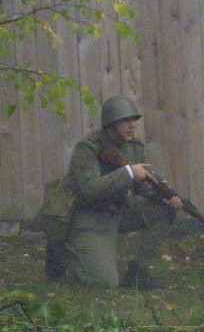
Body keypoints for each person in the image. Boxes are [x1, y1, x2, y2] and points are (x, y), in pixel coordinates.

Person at [57, 96, 183, 288]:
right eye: (125, 121)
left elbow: (143, 188)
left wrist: (167, 198)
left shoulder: (134, 148)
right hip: (89, 218)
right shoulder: (88, 148)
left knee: (164, 210)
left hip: (118, 211)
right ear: (110, 124)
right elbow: (89, 189)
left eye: (133, 120)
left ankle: (138, 271)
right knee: (103, 283)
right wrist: (129, 173)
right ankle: (70, 257)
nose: (131, 125)